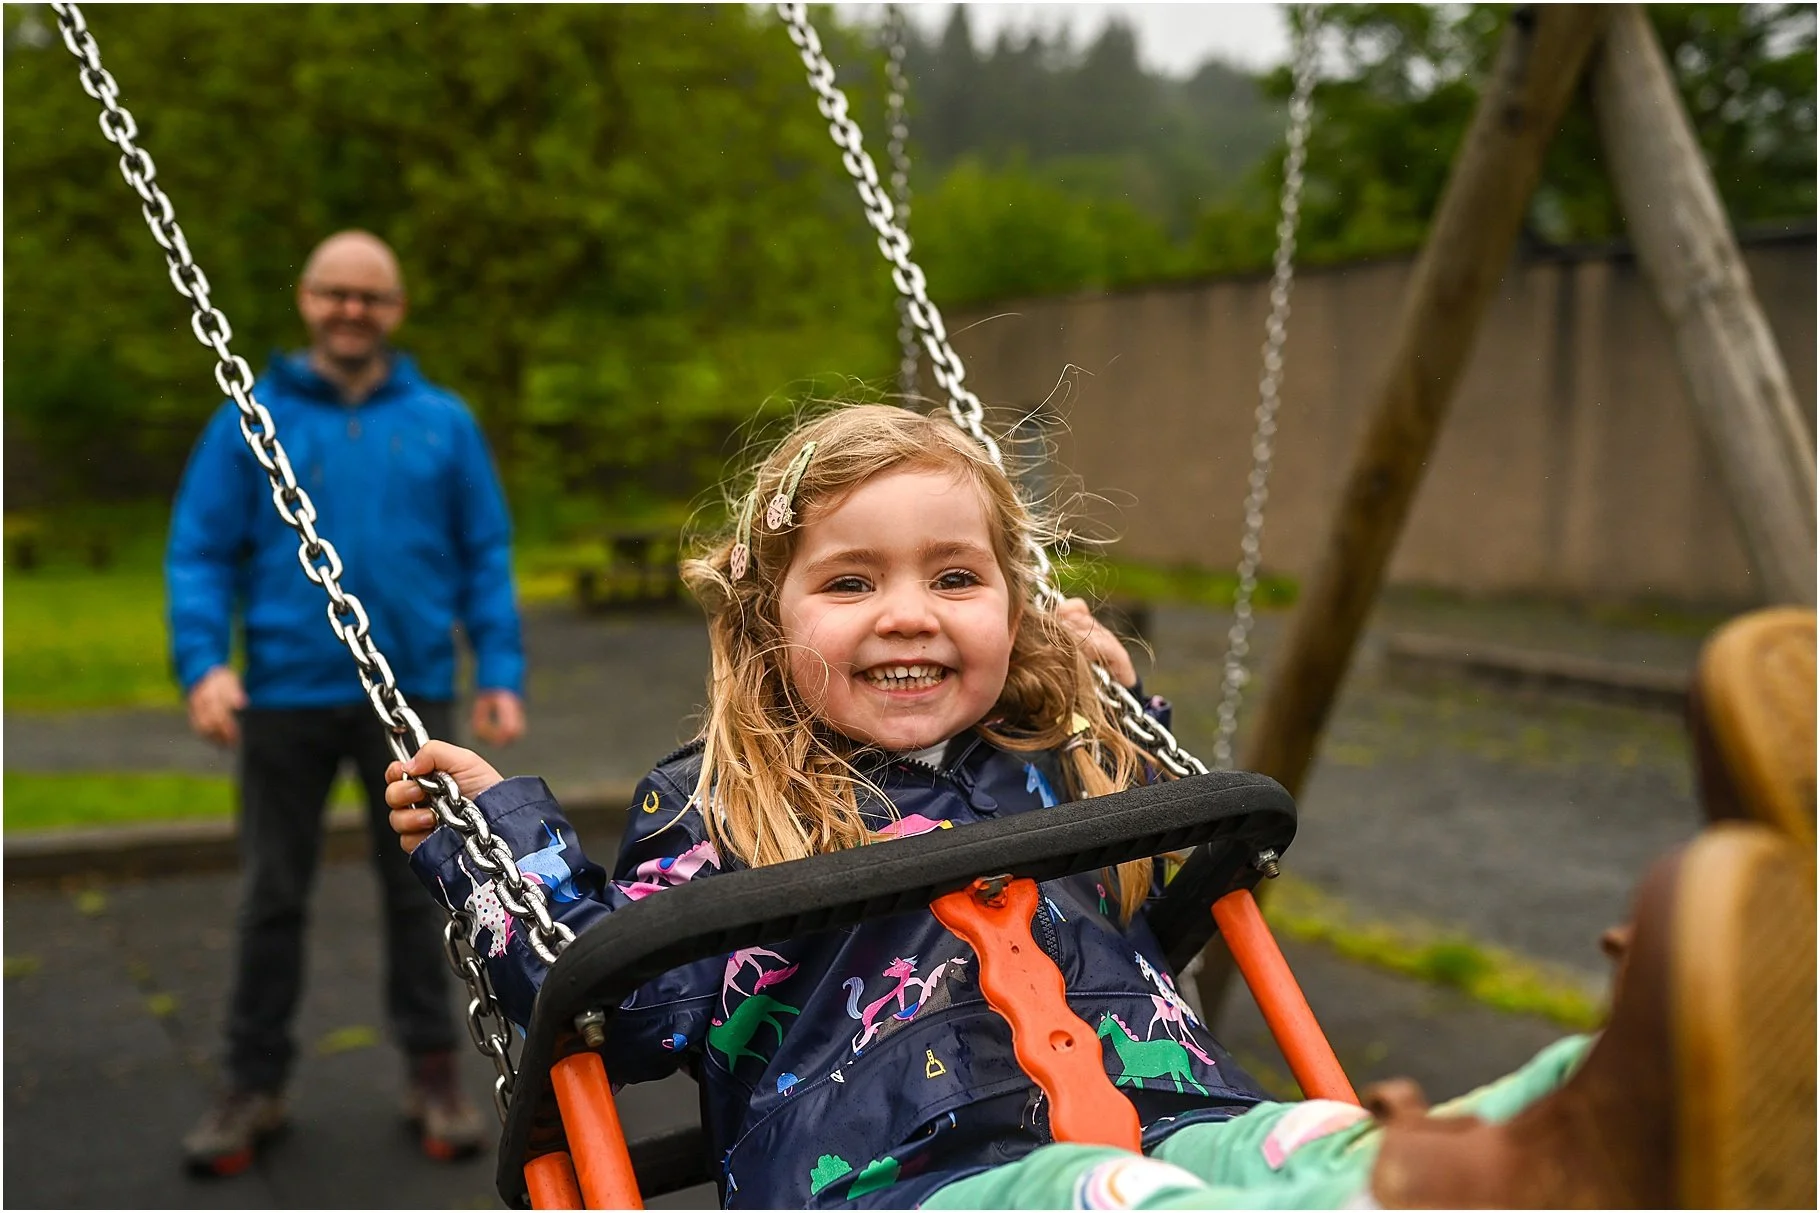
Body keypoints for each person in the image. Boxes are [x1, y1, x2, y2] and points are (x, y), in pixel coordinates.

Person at [385, 404, 1814, 1209]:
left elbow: (1155, 866)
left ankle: (1631, 1089)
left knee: (1314, 1151)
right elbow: (614, 1011)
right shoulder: (716, 806)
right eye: (851, 581)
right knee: (1121, 1204)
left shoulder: (1054, 760)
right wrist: (495, 842)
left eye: (957, 579)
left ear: (1017, 607)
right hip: (912, 1179)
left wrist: (1107, 716)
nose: (910, 616)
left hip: (1178, 1113)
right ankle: (1493, 1182)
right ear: (767, 624)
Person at [168, 230, 527, 1174]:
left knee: (428, 895)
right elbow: (200, 547)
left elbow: (485, 551)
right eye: (335, 293)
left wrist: (500, 670)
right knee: (270, 896)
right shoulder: (250, 417)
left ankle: (438, 1072)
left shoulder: (443, 422)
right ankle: (253, 1083)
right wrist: (204, 661)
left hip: (407, 696)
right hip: (285, 692)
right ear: (308, 301)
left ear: (395, 310)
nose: (351, 310)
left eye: (370, 296)